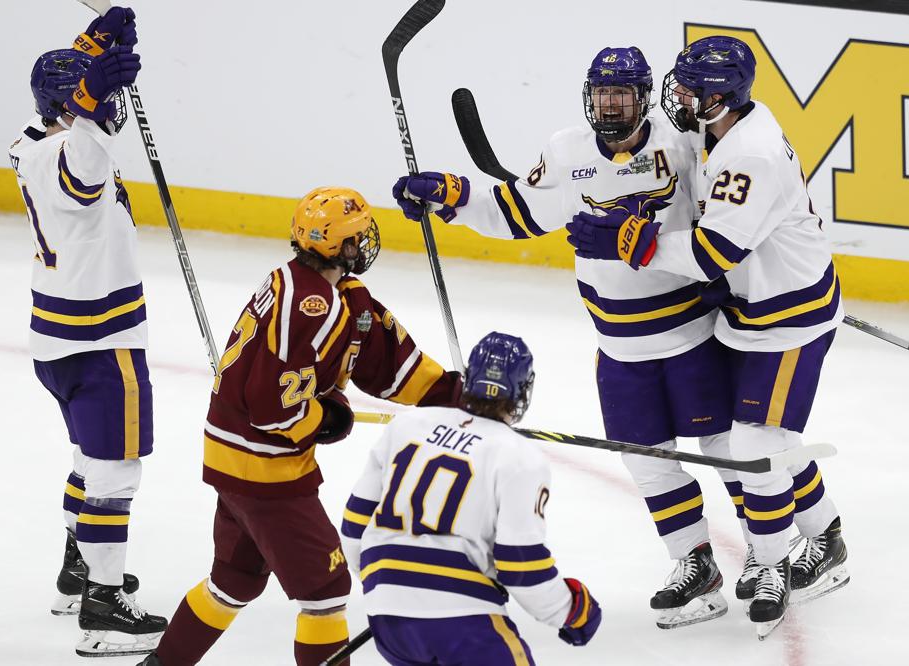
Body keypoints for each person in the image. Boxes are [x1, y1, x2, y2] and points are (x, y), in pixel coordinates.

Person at [393, 47, 743, 629]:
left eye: (622, 94)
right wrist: (453, 195)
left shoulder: (683, 144)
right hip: (620, 350)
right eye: (602, 94)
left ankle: (766, 554)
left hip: (691, 335)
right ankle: (695, 564)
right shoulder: (567, 152)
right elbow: (517, 213)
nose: (610, 105)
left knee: (728, 451)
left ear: (644, 96)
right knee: (646, 462)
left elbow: (726, 218)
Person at [565, 35, 849, 636]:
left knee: (751, 448)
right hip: (747, 312)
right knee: (755, 445)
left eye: (693, 88)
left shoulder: (753, 155)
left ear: (722, 97)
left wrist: (629, 243)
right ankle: (824, 536)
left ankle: (778, 563)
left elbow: (711, 253)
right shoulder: (717, 130)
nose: (681, 95)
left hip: (787, 322)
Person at [139, 187, 462, 666]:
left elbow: (380, 357)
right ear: (341, 247)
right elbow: (272, 408)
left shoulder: (313, 289)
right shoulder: (316, 308)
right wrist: (322, 417)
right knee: (327, 594)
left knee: (234, 581)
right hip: (268, 475)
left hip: (232, 463)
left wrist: (453, 396)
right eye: (358, 236)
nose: (366, 242)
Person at [8, 5, 168, 658]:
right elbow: (81, 176)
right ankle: (103, 611)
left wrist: (89, 49)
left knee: (87, 461)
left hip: (56, 342)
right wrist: (93, 94)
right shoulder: (78, 156)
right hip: (102, 345)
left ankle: (77, 571)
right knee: (115, 473)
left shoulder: (28, 144)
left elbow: (63, 123)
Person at [340, 332, 601, 664]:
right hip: (462, 621)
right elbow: (521, 564)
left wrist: (393, 588)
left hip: (387, 617)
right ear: (522, 392)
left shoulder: (408, 425)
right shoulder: (519, 456)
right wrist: (573, 611)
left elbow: (355, 525)